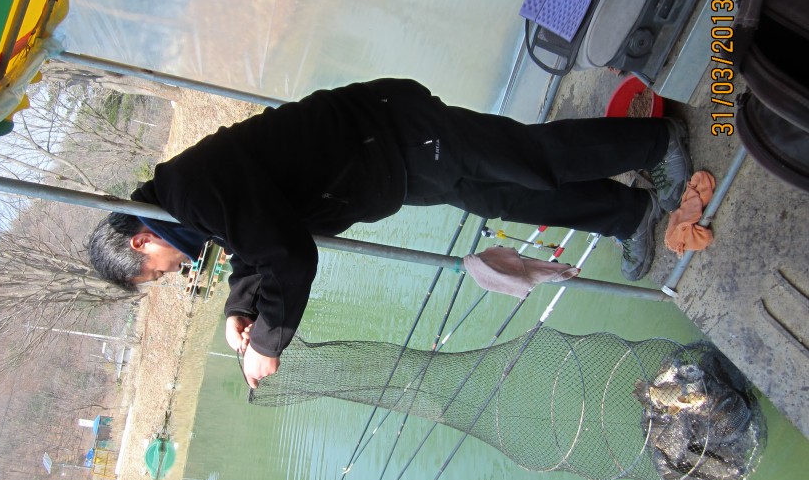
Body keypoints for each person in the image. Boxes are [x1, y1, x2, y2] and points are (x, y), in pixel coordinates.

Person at [88, 78, 691, 388]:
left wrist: (268, 343)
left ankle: (656, 143)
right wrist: (240, 309)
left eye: (156, 273)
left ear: (142, 242)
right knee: (501, 194)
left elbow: (288, 256)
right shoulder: (186, 205)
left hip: (388, 133)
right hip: (385, 165)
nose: (171, 273)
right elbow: (255, 240)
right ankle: (627, 214)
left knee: (528, 159)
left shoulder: (191, 194)